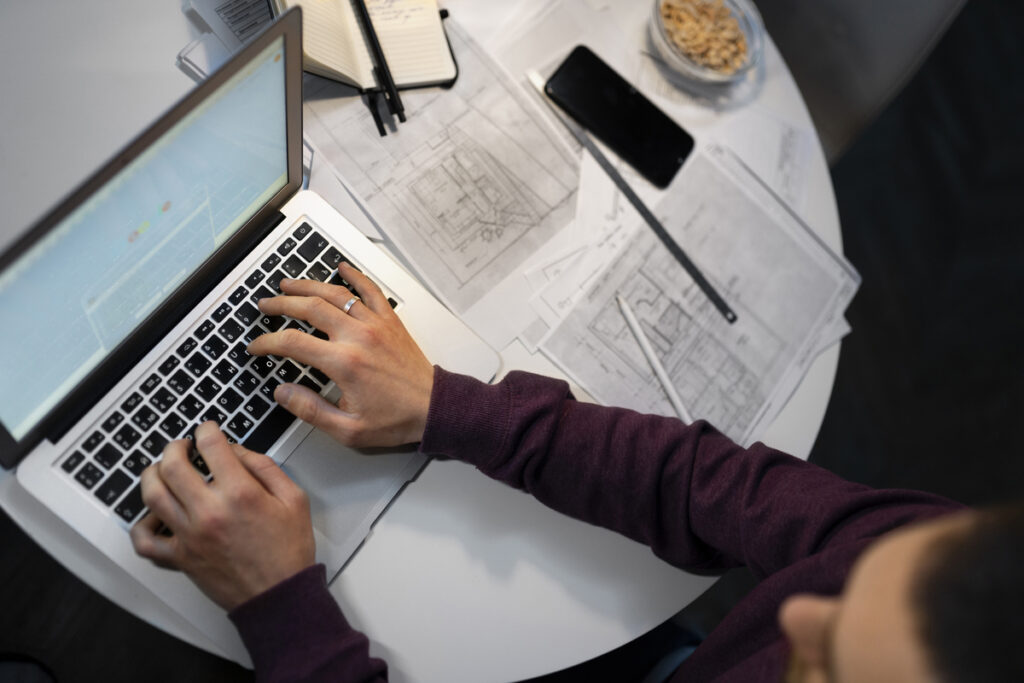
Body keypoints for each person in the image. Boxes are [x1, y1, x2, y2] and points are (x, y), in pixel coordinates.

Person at [130, 265, 1023, 683]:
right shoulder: (940, 574)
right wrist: (446, 405)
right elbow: (699, 481)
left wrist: (281, 607)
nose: (794, 614)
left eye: (825, 666)